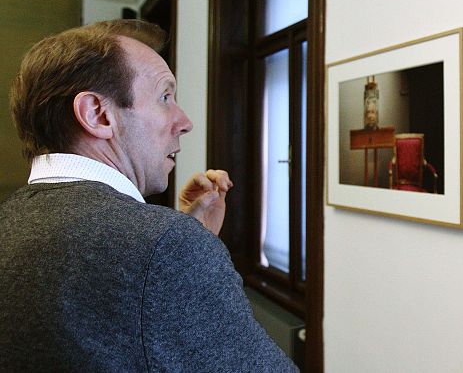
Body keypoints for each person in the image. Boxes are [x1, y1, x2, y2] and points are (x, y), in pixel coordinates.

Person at [0, 20, 298, 371]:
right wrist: (178, 244)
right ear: (98, 114)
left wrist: (185, 237)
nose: (184, 121)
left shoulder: (10, 222)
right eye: (165, 96)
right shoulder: (166, 246)